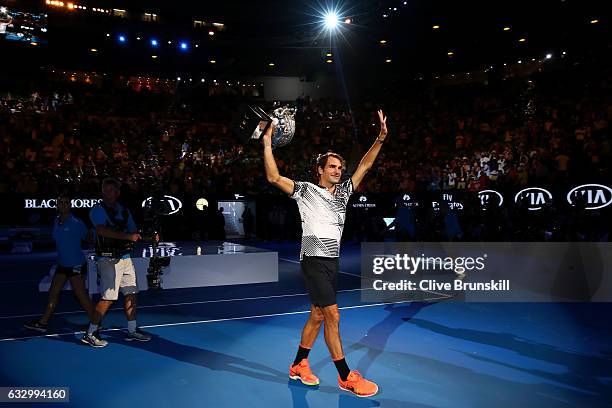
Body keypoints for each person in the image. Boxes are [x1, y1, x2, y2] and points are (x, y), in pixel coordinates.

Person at [263, 110, 388, 397]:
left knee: (318, 315)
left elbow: (365, 166)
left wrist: (380, 139)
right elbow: (272, 177)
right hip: (313, 260)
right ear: (319, 170)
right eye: (332, 167)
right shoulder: (305, 190)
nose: (337, 171)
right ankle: (346, 376)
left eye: (340, 168)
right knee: (333, 315)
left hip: (331, 261)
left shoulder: (343, 193)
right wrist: (268, 143)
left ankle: (298, 364)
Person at [82, 178, 152, 347]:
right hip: (106, 259)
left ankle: (132, 329)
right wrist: (128, 237)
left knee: (131, 293)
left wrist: (149, 236)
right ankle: (90, 333)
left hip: (125, 257)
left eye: (111, 190)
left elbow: (134, 231)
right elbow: (101, 230)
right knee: (108, 298)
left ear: (118, 193)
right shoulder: (97, 210)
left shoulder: (124, 210)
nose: (107, 193)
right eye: (105, 190)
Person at [24, 194, 94, 333]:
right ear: (56, 205)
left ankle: (96, 322)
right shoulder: (56, 221)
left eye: (66, 202)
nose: (63, 205)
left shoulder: (76, 223)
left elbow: (89, 238)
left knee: (81, 296)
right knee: (53, 292)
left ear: (70, 205)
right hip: (62, 265)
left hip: (76, 265)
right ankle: (43, 322)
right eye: (60, 202)